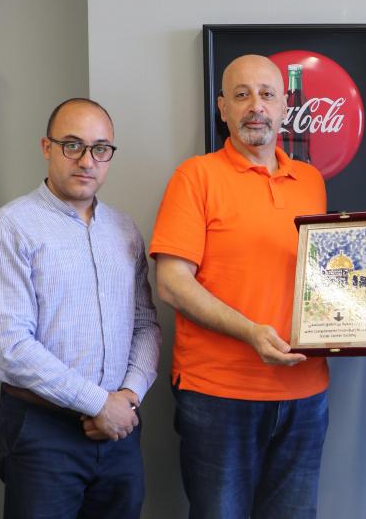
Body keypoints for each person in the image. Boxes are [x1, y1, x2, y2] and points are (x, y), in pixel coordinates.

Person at [150, 54, 329, 519]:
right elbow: (171, 284)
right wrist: (250, 332)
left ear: (285, 106)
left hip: (305, 392)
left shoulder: (310, 181)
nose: (256, 107)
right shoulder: (195, 176)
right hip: (218, 395)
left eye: (267, 95)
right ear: (222, 107)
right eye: (242, 95)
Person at [0, 98, 161, 519]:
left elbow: (146, 325)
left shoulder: (124, 230)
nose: (87, 160)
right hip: (43, 432)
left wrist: (127, 398)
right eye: (72, 145)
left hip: (120, 431)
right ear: (47, 147)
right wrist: (99, 404)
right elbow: (13, 348)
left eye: (100, 148)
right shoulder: (10, 229)